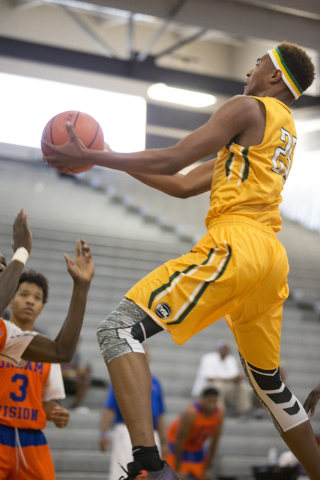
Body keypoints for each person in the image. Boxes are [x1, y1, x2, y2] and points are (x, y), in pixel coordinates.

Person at [43, 42, 320, 480]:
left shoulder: (247, 107)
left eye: (259, 62)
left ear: (274, 77)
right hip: (271, 259)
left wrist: (93, 155)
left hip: (238, 244)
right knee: (269, 385)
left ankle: (149, 467)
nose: (251, 69)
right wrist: (112, 155)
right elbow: (183, 183)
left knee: (117, 330)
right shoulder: (277, 133)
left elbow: (175, 156)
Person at [0, 209, 94, 366]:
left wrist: (81, 286)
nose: (4, 271)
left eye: (4, 268)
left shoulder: (5, 332)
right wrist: (21, 253)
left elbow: (61, 352)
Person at [0, 270, 69, 479]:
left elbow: (47, 403)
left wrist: (57, 413)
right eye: (24, 294)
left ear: (41, 308)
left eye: (37, 298)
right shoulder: (2, 333)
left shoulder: (48, 351)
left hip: (31, 438)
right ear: (9, 300)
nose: (30, 301)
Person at [100, 348, 168, 480]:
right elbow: (109, 408)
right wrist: (103, 432)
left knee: (152, 474)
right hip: (127, 431)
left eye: (146, 355)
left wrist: (163, 441)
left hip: (151, 432)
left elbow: (160, 414)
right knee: (125, 471)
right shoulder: (121, 378)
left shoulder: (155, 382)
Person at [166, 388, 223, 480]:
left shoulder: (219, 414)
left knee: (204, 476)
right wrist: (177, 469)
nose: (212, 405)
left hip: (196, 447)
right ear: (202, 400)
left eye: (214, 402)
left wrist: (206, 469)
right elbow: (179, 440)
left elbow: (214, 443)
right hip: (176, 446)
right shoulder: (190, 412)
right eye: (209, 401)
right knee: (176, 476)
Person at [192, 340, 252, 417]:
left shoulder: (231, 360)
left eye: (227, 349)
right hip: (209, 388)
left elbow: (234, 377)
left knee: (242, 386)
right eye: (223, 348)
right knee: (218, 385)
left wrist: (239, 378)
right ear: (218, 349)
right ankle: (219, 411)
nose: (225, 351)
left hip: (226, 388)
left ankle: (242, 411)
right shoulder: (208, 358)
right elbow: (209, 378)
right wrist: (230, 379)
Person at [61, 337, 92, 410]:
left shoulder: (77, 356)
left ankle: (75, 406)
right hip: (61, 380)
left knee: (85, 380)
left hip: (71, 381)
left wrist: (83, 372)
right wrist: (75, 373)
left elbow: (77, 370)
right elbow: (58, 372)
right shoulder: (60, 354)